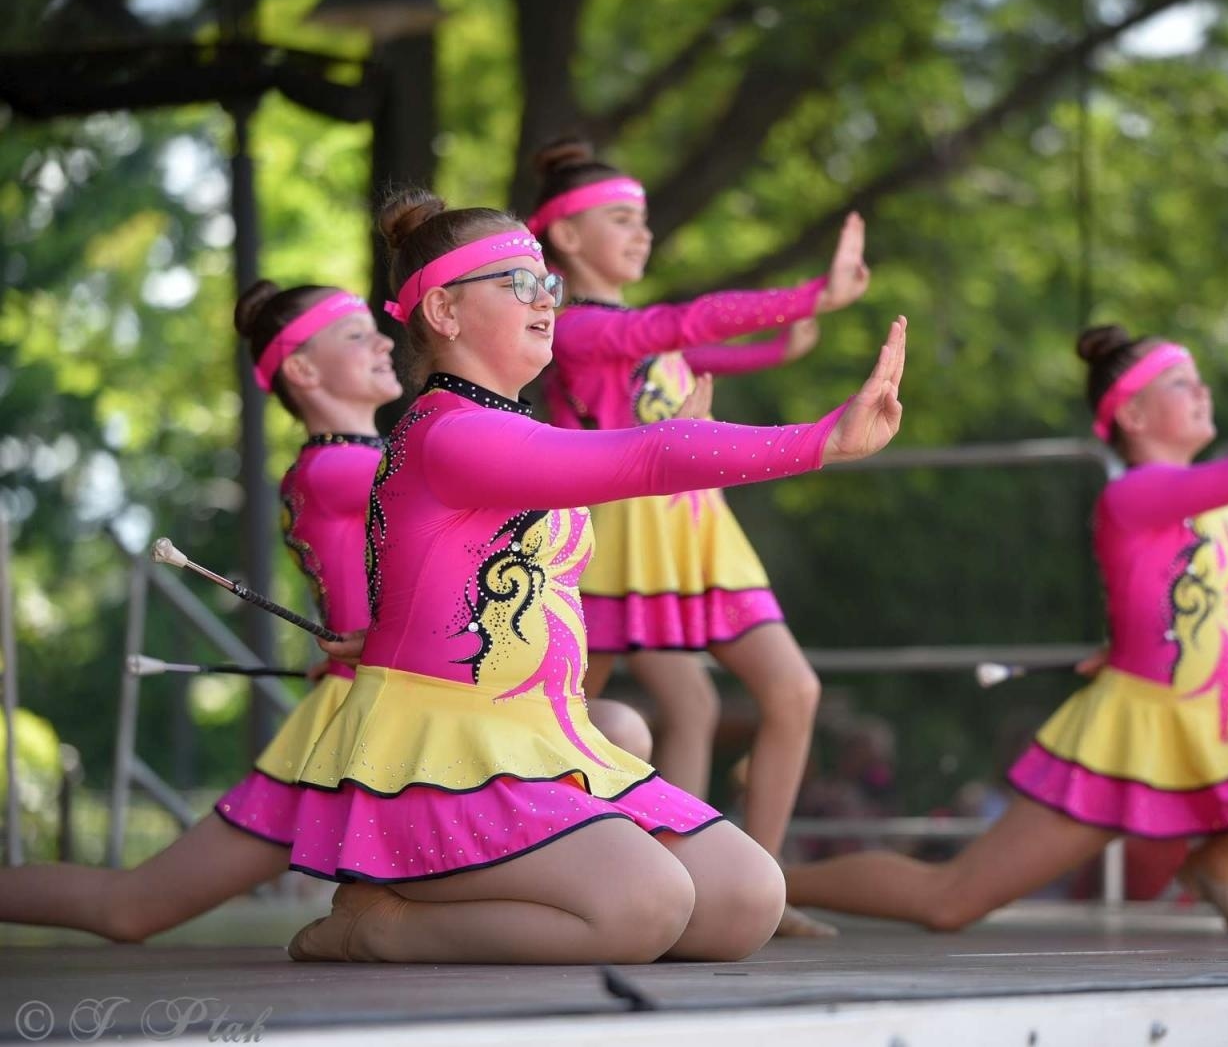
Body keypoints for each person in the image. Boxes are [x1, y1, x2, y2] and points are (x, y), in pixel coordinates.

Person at [281, 189, 905, 964]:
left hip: (540, 736)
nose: (546, 299)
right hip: (445, 758)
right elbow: (644, 456)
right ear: (442, 310)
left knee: (746, 900)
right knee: (647, 907)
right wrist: (820, 441)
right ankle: (380, 925)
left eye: (549, 282)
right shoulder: (450, 432)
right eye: (517, 283)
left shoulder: (504, 431)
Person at [786, 325, 1228, 935]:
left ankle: (1219, 862)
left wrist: (1128, 642)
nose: (1203, 391)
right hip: (1126, 743)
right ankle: (775, 885)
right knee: (950, 901)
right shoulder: (1131, 495)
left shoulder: (1213, 506)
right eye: (1182, 383)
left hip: (1225, 733)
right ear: (1132, 415)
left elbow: (1178, 603)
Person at [526, 140, 869, 934]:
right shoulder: (575, 330)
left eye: (643, 220)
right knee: (561, 715)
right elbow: (684, 324)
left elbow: (706, 342)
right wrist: (808, 294)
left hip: (699, 532)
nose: (641, 234)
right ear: (567, 238)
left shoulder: (643, 334)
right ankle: (552, 860)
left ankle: (756, 886)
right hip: (613, 538)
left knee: (790, 690)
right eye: (621, 219)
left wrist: (805, 321)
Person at [0, 281, 407, 942]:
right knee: (129, 909)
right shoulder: (342, 467)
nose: (385, 341)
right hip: (358, 726)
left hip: (376, 710)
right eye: (357, 336)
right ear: (303, 369)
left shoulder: (344, 465)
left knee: (129, 908)